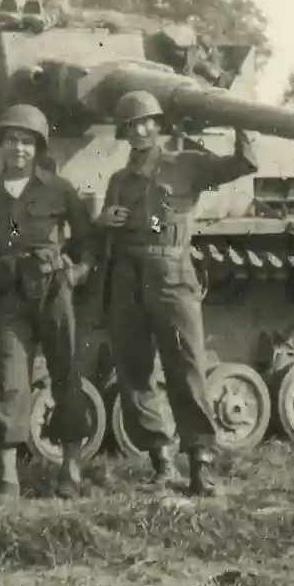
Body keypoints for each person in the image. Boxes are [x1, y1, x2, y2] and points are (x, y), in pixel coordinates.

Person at [96, 89, 258, 497]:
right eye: (133, 125)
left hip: (171, 271)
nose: (142, 130)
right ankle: (160, 459)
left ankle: (200, 463)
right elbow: (109, 231)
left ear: (159, 125)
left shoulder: (187, 164)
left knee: (185, 366)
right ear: (125, 133)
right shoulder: (119, 180)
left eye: (148, 121)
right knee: (134, 370)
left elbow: (244, 163)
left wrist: (241, 119)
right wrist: (105, 220)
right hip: (128, 274)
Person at [0, 103, 96, 499]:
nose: (18, 148)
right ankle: (8, 476)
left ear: (37, 148)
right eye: (11, 140)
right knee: (11, 382)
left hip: (52, 290)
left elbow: (86, 242)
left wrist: (75, 273)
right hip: (8, 294)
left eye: (26, 142)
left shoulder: (58, 188)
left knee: (65, 374)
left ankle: (70, 468)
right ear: (1, 145)